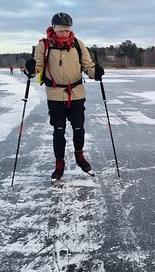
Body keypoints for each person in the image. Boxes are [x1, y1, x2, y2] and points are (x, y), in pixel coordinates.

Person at [24, 12, 105, 181]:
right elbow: (35, 69)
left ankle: (79, 156)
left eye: (67, 30)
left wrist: (95, 72)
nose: (64, 33)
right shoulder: (44, 45)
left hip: (76, 94)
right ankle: (59, 163)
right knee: (58, 131)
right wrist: (30, 69)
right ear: (53, 28)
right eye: (60, 30)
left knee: (79, 128)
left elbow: (88, 65)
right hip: (54, 95)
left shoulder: (77, 44)